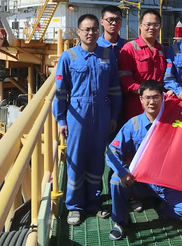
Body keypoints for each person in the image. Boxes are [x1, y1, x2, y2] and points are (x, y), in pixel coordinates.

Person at [106, 80, 182, 240]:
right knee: (116, 180)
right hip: (140, 182)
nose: (152, 102)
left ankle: (163, 207)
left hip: (169, 183)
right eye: (147, 98)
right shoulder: (133, 124)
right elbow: (112, 151)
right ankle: (120, 222)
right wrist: (123, 172)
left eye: (156, 97)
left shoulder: (176, 124)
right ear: (141, 99)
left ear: (162, 98)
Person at [53, 14, 121, 225]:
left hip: (101, 114)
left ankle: (93, 202)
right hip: (77, 115)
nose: (90, 33)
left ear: (98, 32)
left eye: (94, 29)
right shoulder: (69, 57)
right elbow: (61, 92)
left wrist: (113, 116)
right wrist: (61, 120)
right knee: (76, 159)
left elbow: (115, 89)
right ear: (79, 32)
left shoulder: (108, 55)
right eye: (86, 29)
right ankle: (74, 206)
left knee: (96, 159)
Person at [118, 9, 168, 120]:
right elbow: (124, 79)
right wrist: (145, 92)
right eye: (148, 24)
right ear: (140, 25)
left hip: (158, 106)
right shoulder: (130, 48)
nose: (152, 28)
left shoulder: (162, 50)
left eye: (156, 25)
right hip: (137, 107)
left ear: (160, 27)